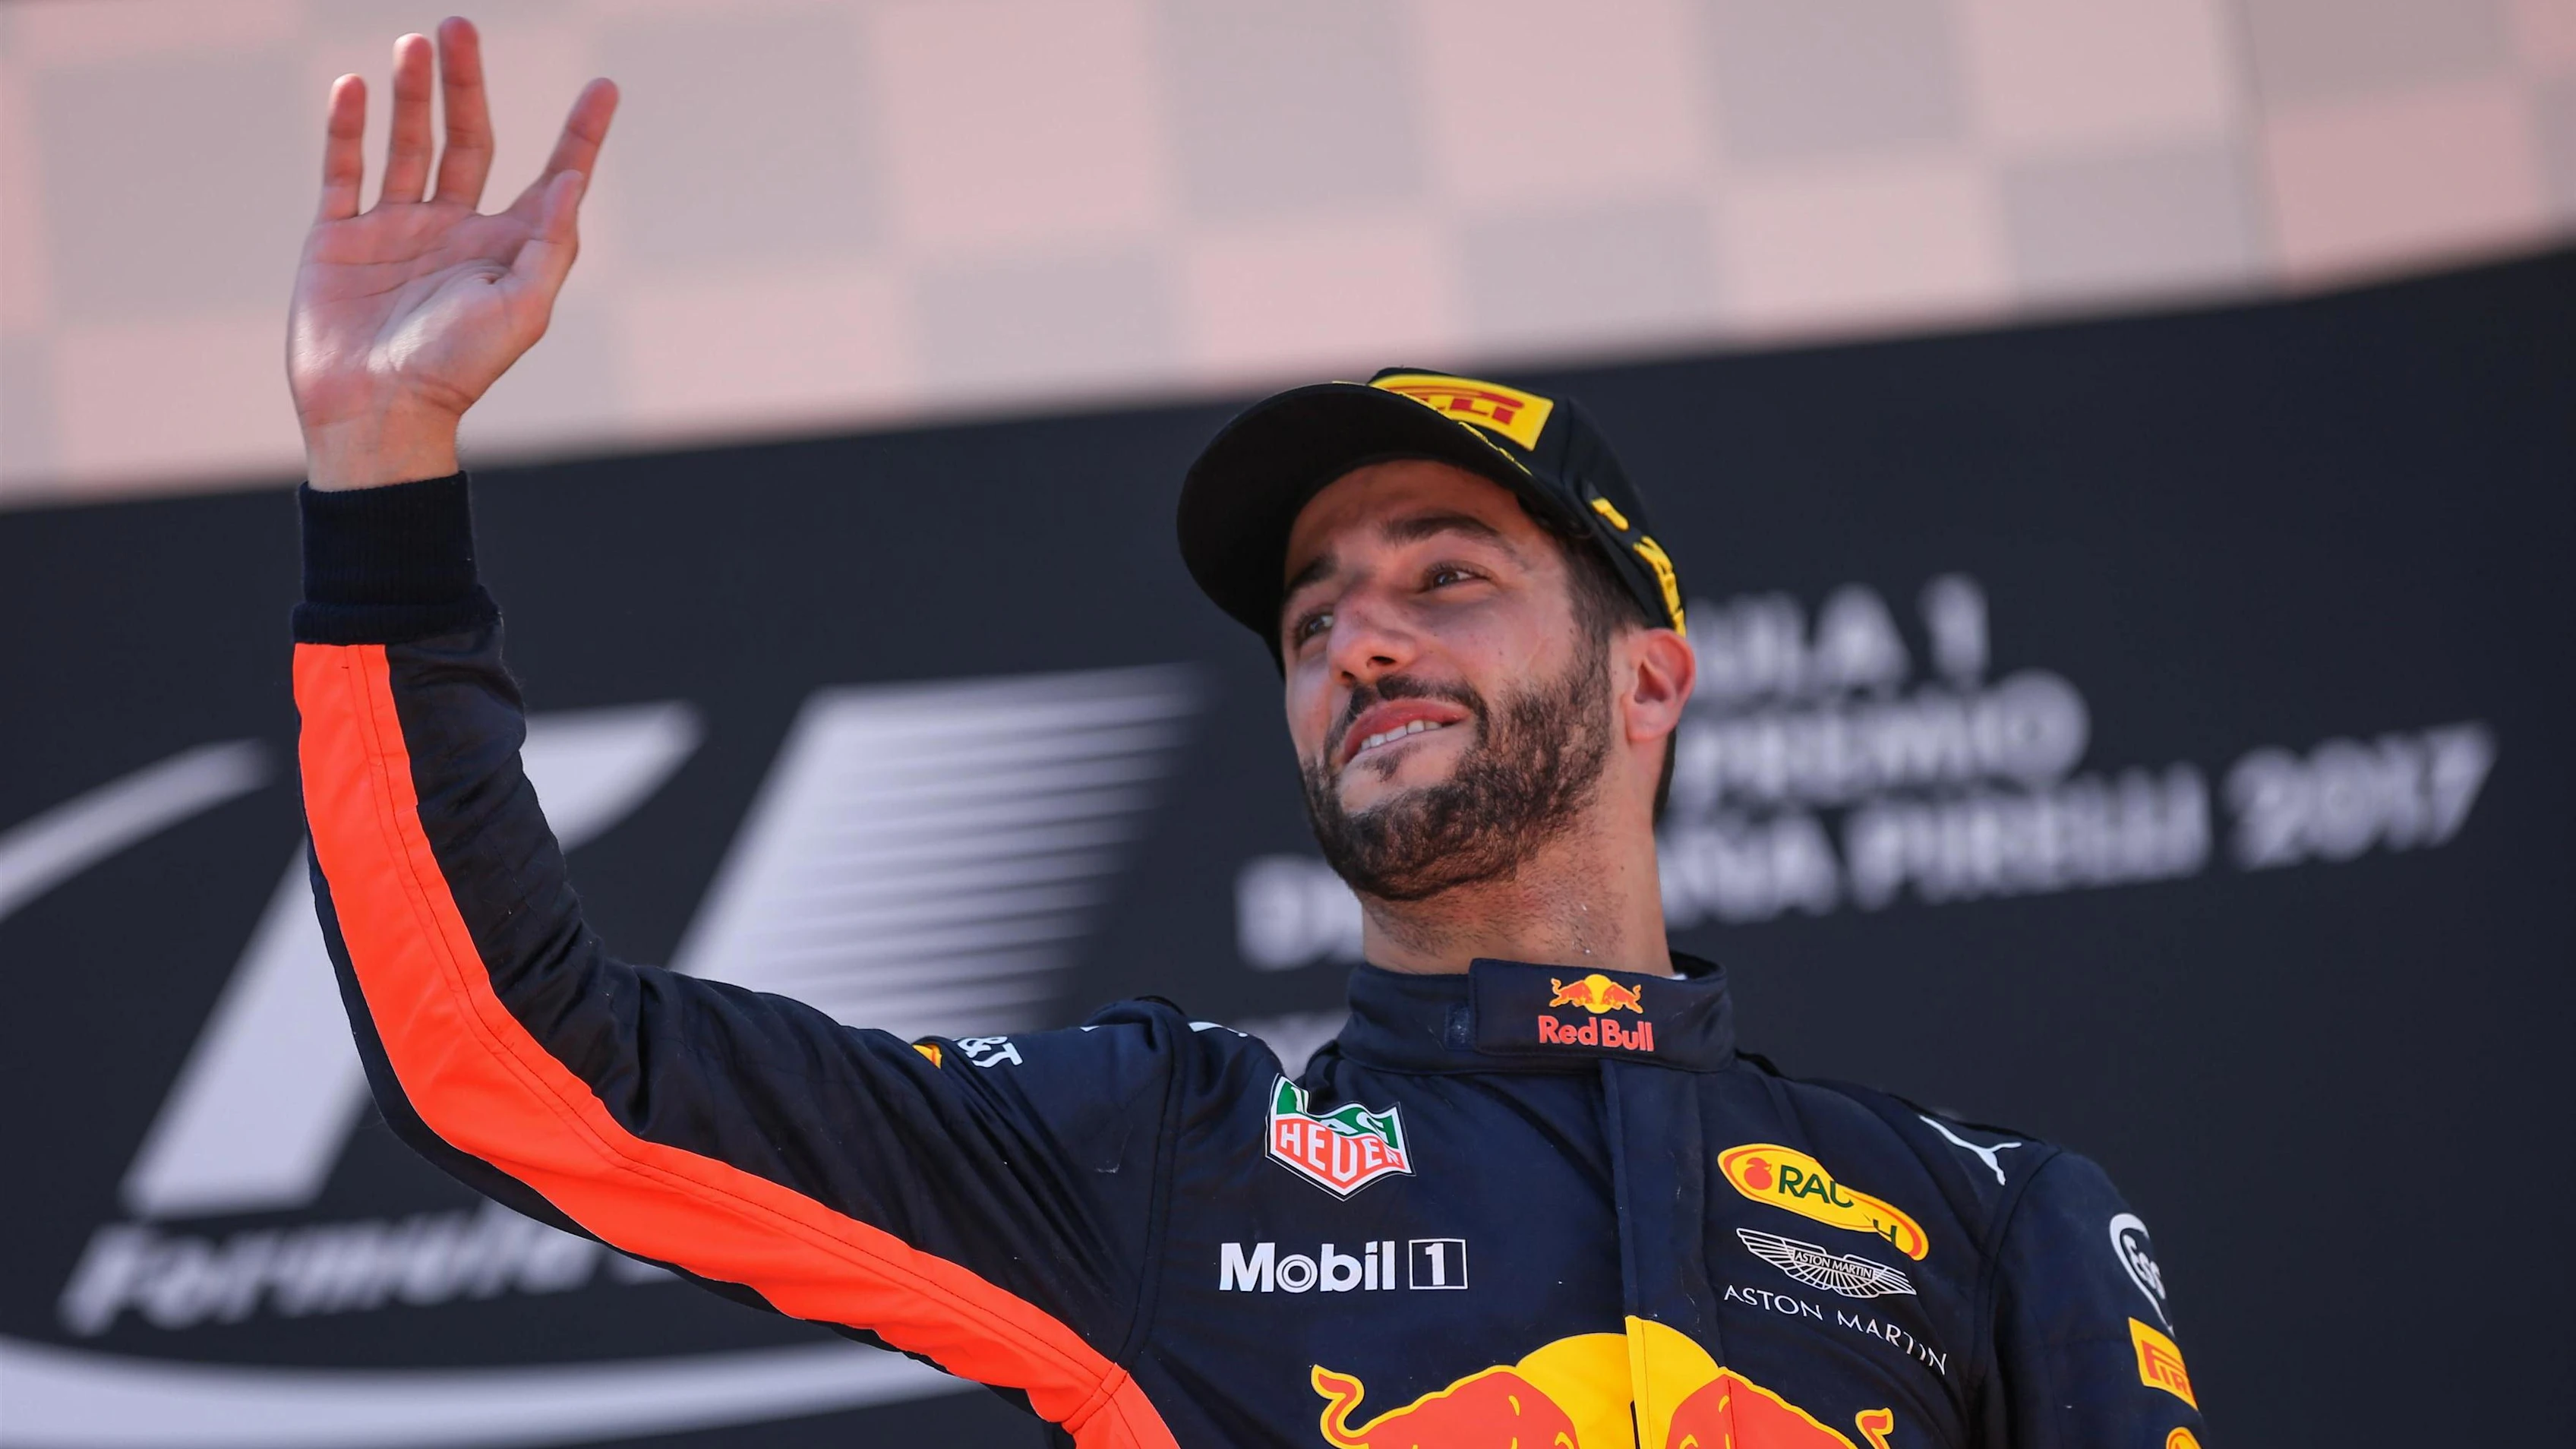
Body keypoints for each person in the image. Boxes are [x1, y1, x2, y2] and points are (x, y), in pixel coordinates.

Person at [287, 20, 2209, 1449]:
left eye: (1445, 575)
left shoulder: (1980, 1209)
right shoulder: (1157, 1154)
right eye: (1310, 617)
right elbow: (517, 1064)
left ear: (1650, 674)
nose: (1358, 637)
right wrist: (385, 475)